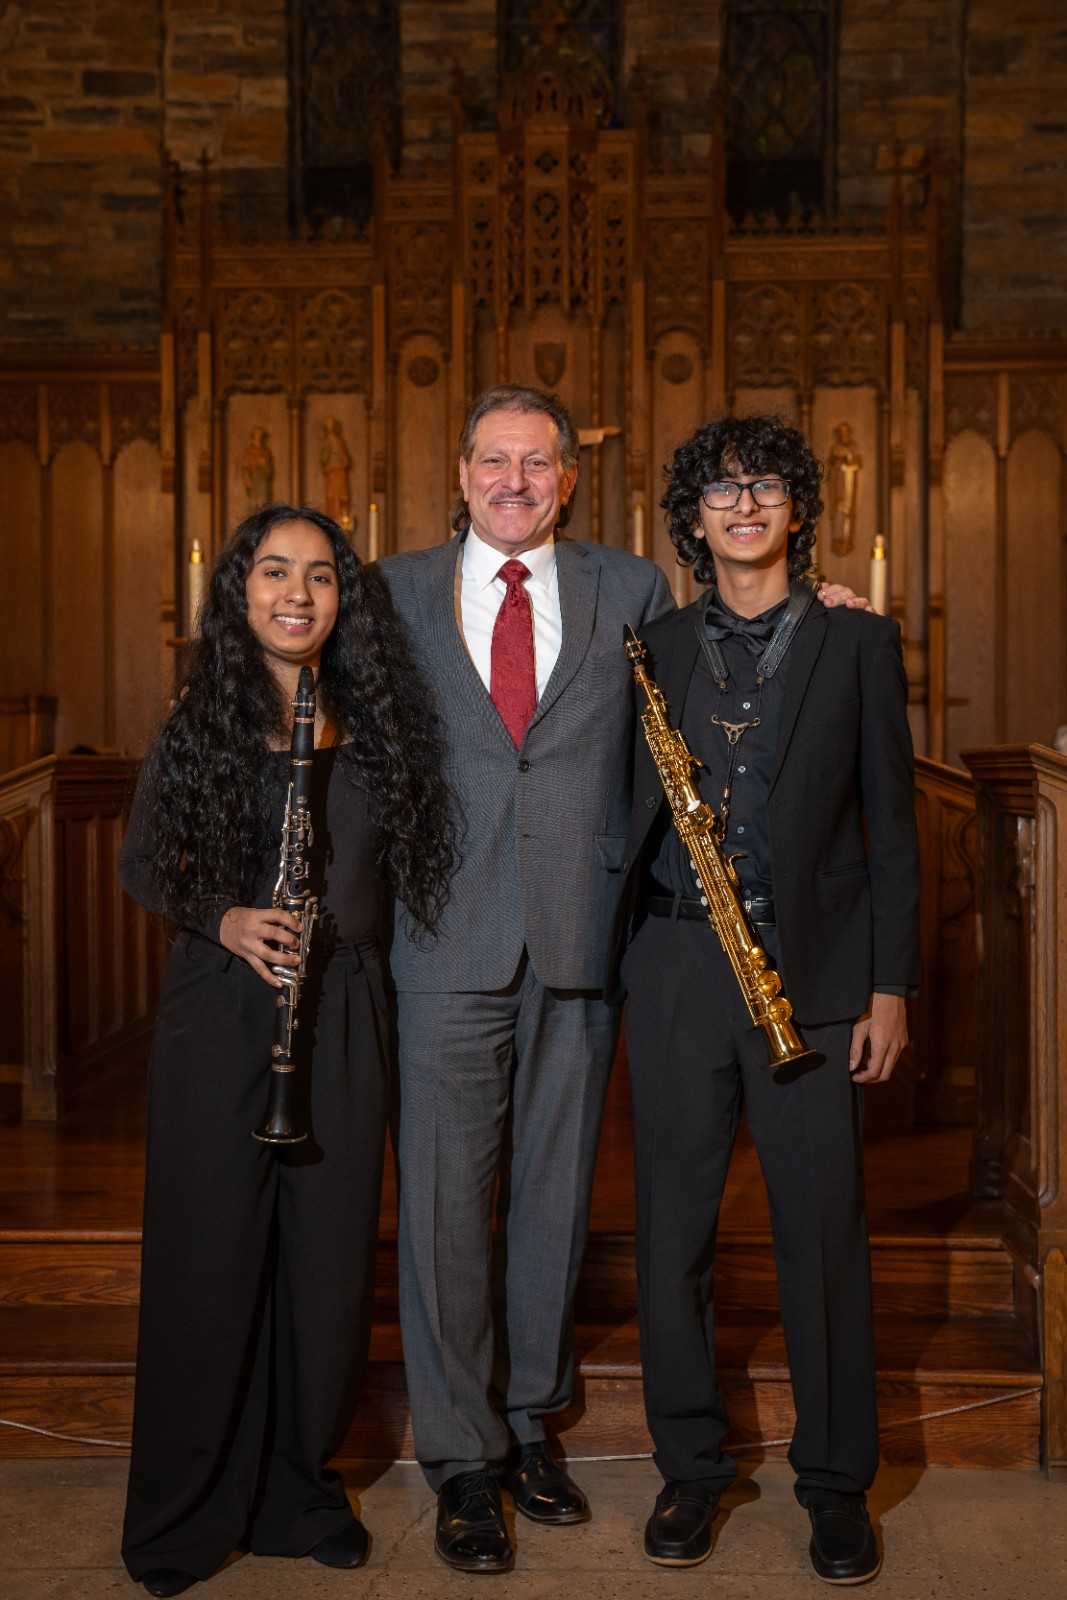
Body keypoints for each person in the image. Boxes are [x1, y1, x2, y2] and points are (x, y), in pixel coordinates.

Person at [376, 386, 865, 1575]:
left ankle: (533, 1421)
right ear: (460, 468)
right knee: (445, 1206)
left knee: (552, 1197)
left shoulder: (631, 590)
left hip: (584, 937)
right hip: (445, 941)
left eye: (535, 462)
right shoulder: (387, 593)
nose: (513, 480)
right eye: (493, 460)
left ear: (569, 479)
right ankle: (459, 1457)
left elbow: (724, 663)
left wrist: (831, 607)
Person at [119, 505, 453, 1597]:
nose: (297, 592)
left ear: (342, 597)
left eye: (319, 574)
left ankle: (297, 1490)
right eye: (274, 571)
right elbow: (142, 862)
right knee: (207, 1258)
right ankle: (183, 1508)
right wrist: (223, 916)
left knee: (324, 1262)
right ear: (241, 589)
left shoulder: (379, 717)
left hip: (344, 1006)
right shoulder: (202, 717)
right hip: (221, 1008)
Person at [619, 415, 919, 1583]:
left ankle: (836, 1482)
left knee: (821, 1238)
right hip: (679, 968)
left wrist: (887, 986)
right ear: (690, 519)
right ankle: (689, 1470)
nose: (742, 506)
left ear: (796, 508)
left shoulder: (858, 640)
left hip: (821, 976)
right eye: (718, 491)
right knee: (671, 1236)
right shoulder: (650, 644)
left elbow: (892, 830)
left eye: (763, 488)